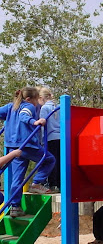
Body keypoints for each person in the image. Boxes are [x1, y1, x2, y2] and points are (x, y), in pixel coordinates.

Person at [0, 86, 56, 217]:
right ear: (30, 99)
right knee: (49, 160)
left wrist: (9, 123)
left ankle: (15, 207)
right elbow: (23, 116)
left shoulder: (10, 106)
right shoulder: (28, 106)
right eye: (37, 99)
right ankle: (37, 183)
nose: (37, 102)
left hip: (13, 146)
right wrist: (35, 121)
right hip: (26, 144)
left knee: (17, 178)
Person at [39, 87, 60, 193]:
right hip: (61, 138)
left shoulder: (44, 108)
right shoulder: (59, 107)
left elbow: (43, 125)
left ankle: (52, 184)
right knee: (60, 161)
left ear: (41, 98)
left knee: (51, 161)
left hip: (50, 138)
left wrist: (41, 141)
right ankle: (59, 184)